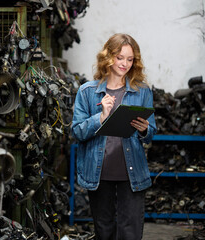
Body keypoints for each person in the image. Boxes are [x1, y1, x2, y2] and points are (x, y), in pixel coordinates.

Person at [71, 33, 157, 240]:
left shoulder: (142, 92)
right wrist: (100, 118)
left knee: (131, 231)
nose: (125, 64)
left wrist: (144, 129)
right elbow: (77, 132)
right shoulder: (87, 92)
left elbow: (151, 133)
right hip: (98, 173)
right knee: (104, 230)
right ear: (108, 57)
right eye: (120, 58)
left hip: (132, 172)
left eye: (130, 59)